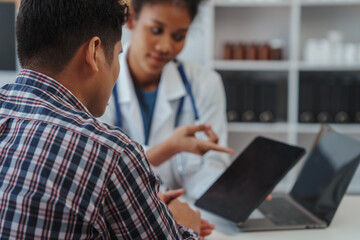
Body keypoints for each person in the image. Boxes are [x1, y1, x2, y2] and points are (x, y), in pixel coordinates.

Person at [0, 0, 211, 238]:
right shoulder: (112, 151)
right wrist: (187, 226)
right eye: (118, 53)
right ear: (94, 52)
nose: (164, 47)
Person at [100, 0, 234, 199]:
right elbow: (100, 169)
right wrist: (172, 147)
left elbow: (212, 166)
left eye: (178, 36)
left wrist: (232, 195)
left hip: (188, 215)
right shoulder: (98, 80)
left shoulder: (205, 83)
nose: (165, 47)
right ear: (131, 19)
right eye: (156, 30)